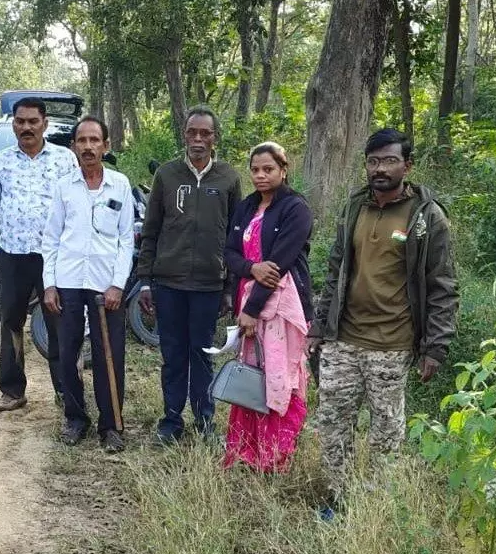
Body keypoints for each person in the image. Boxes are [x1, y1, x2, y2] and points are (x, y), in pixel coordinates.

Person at [309, 128, 458, 512]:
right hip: (343, 338)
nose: (380, 168)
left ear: (407, 165)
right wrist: (319, 326)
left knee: (386, 432)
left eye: (390, 160)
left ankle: (376, 507)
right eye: (373, 161)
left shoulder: (427, 217)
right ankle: (338, 499)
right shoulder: (356, 207)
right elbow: (335, 269)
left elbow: (442, 285)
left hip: (391, 344)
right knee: (332, 423)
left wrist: (435, 347)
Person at [0, 98, 79, 412]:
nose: (26, 127)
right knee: (11, 323)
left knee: (57, 325)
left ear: (44, 124)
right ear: (13, 123)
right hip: (12, 254)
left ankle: (66, 392)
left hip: (52, 258)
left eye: (32, 121)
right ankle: (13, 391)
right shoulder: (1, 161)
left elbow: (76, 206)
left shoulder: (65, 160)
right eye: (20, 121)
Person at [136, 106, 242, 444]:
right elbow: (150, 231)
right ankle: (170, 422)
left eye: (205, 133)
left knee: (202, 354)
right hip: (168, 283)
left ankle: (205, 421)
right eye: (192, 132)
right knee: (173, 354)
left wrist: (230, 288)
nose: (198, 139)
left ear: (215, 138)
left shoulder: (228, 178)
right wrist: (144, 281)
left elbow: (235, 237)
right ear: (184, 134)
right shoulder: (166, 175)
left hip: (209, 286)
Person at [42, 116, 134, 452]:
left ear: (106, 146)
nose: (88, 147)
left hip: (105, 286)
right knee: (67, 353)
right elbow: (51, 238)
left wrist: (117, 285)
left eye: (95, 140)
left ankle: (111, 425)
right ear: (73, 147)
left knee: (110, 354)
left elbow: (127, 240)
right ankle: (76, 418)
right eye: (82, 141)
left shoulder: (120, 185)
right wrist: (49, 285)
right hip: (67, 281)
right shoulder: (64, 186)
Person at [221, 142, 313, 472]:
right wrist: (250, 269)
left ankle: (276, 456)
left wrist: (252, 309)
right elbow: (230, 254)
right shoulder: (247, 207)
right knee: (253, 375)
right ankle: (249, 452)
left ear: (283, 170)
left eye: (268, 169)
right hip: (249, 301)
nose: (261, 175)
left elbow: (280, 265)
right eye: (256, 170)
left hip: (281, 307)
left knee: (278, 377)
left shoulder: (295, 208)